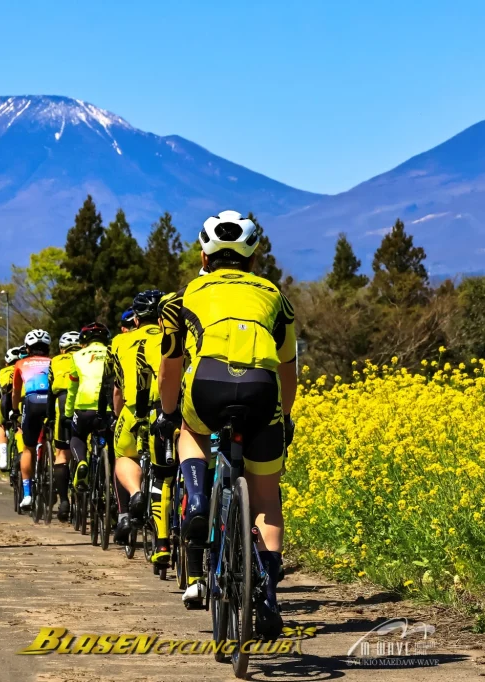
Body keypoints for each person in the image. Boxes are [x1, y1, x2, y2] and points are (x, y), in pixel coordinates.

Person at [156, 210, 297, 636]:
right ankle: (268, 595)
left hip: (207, 386)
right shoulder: (277, 298)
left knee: (190, 432)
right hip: (262, 390)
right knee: (267, 501)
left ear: (204, 256)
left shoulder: (183, 297)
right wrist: (285, 417)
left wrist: (167, 413)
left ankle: (197, 499)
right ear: (254, 258)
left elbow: (170, 365)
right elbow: (289, 368)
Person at [106, 290, 172, 570]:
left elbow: (116, 386)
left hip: (135, 410)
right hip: (170, 410)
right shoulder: (173, 337)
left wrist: (116, 414)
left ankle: (133, 494)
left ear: (135, 318)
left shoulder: (120, 342)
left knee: (123, 456)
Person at [64, 322, 110, 491]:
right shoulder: (112, 352)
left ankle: (82, 462)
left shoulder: (77, 356)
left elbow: (72, 388)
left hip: (84, 407)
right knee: (113, 445)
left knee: (77, 436)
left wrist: (68, 413)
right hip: (108, 408)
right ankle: (110, 480)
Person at [11, 329, 53, 511]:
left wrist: (14, 411)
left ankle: (27, 494)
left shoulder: (20, 363)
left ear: (28, 348)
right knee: (59, 445)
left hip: (32, 401)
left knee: (28, 447)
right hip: (52, 401)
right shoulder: (54, 361)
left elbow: (15, 392)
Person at [47, 331, 80, 522]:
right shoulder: (87, 357)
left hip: (62, 401)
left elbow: (49, 392)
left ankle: (64, 501)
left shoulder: (55, 361)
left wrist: (49, 419)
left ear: (62, 349)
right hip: (86, 403)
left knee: (62, 454)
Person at [0, 346, 23, 471]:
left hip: (5, 402)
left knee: (2, 425)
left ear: (6, 362)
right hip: (23, 400)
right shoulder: (26, 368)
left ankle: (3, 460)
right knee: (20, 425)